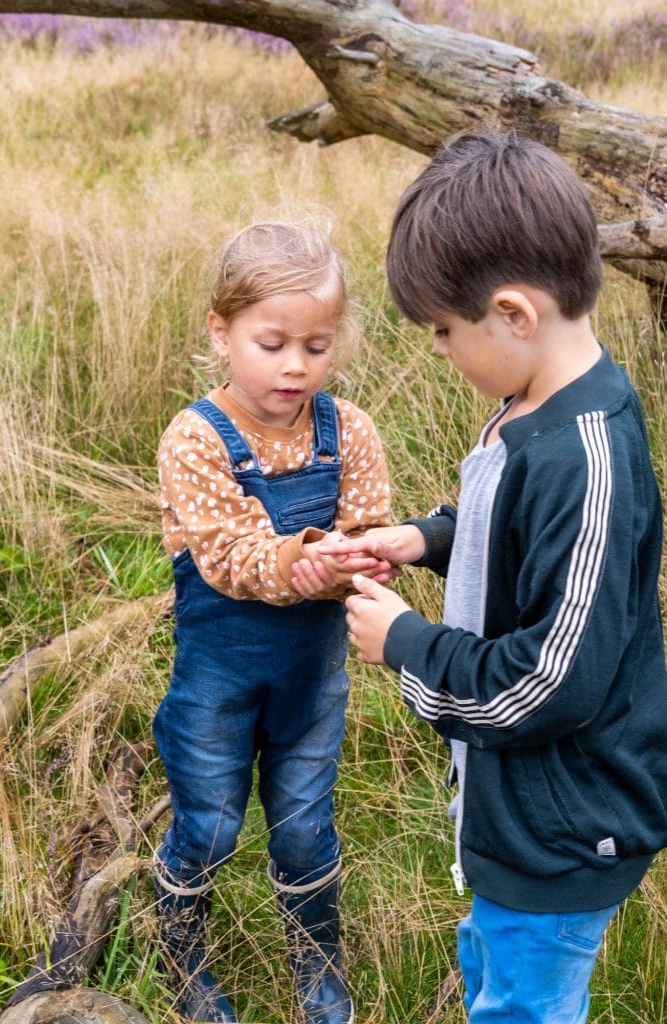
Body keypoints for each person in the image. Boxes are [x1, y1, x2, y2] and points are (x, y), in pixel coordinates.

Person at [295, 132, 667, 1023]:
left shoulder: (589, 460)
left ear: (514, 312)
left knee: (527, 1005)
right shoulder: (528, 406)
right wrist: (420, 540)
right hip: (517, 816)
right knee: (499, 969)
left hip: (564, 830)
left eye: (444, 331)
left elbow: (550, 683)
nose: (438, 350)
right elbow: (500, 526)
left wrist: (410, 646)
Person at [153, 218, 394, 1024]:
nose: (297, 365)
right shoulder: (196, 438)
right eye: (273, 342)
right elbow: (227, 554)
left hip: (310, 680)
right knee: (214, 823)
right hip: (216, 682)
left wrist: (361, 558)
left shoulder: (348, 431)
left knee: (302, 826)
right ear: (221, 333)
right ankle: (181, 947)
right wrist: (310, 561)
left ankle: (316, 966)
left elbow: (367, 528)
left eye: (318, 346)